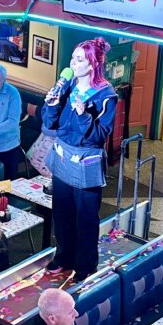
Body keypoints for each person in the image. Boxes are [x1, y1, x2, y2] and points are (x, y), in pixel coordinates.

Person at [42, 38, 117, 283]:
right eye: (73, 58)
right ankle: (64, 257)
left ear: (93, 64)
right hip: (63, 159)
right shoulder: (68, 84)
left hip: (86, 164)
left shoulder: (106, 96)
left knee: (85, 219)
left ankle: (85, 266)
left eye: (79, 59)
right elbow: (51, 124)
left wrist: (84, 115)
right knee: (62, 213)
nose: (73, 63)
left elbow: (100, 136)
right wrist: (51, 105)